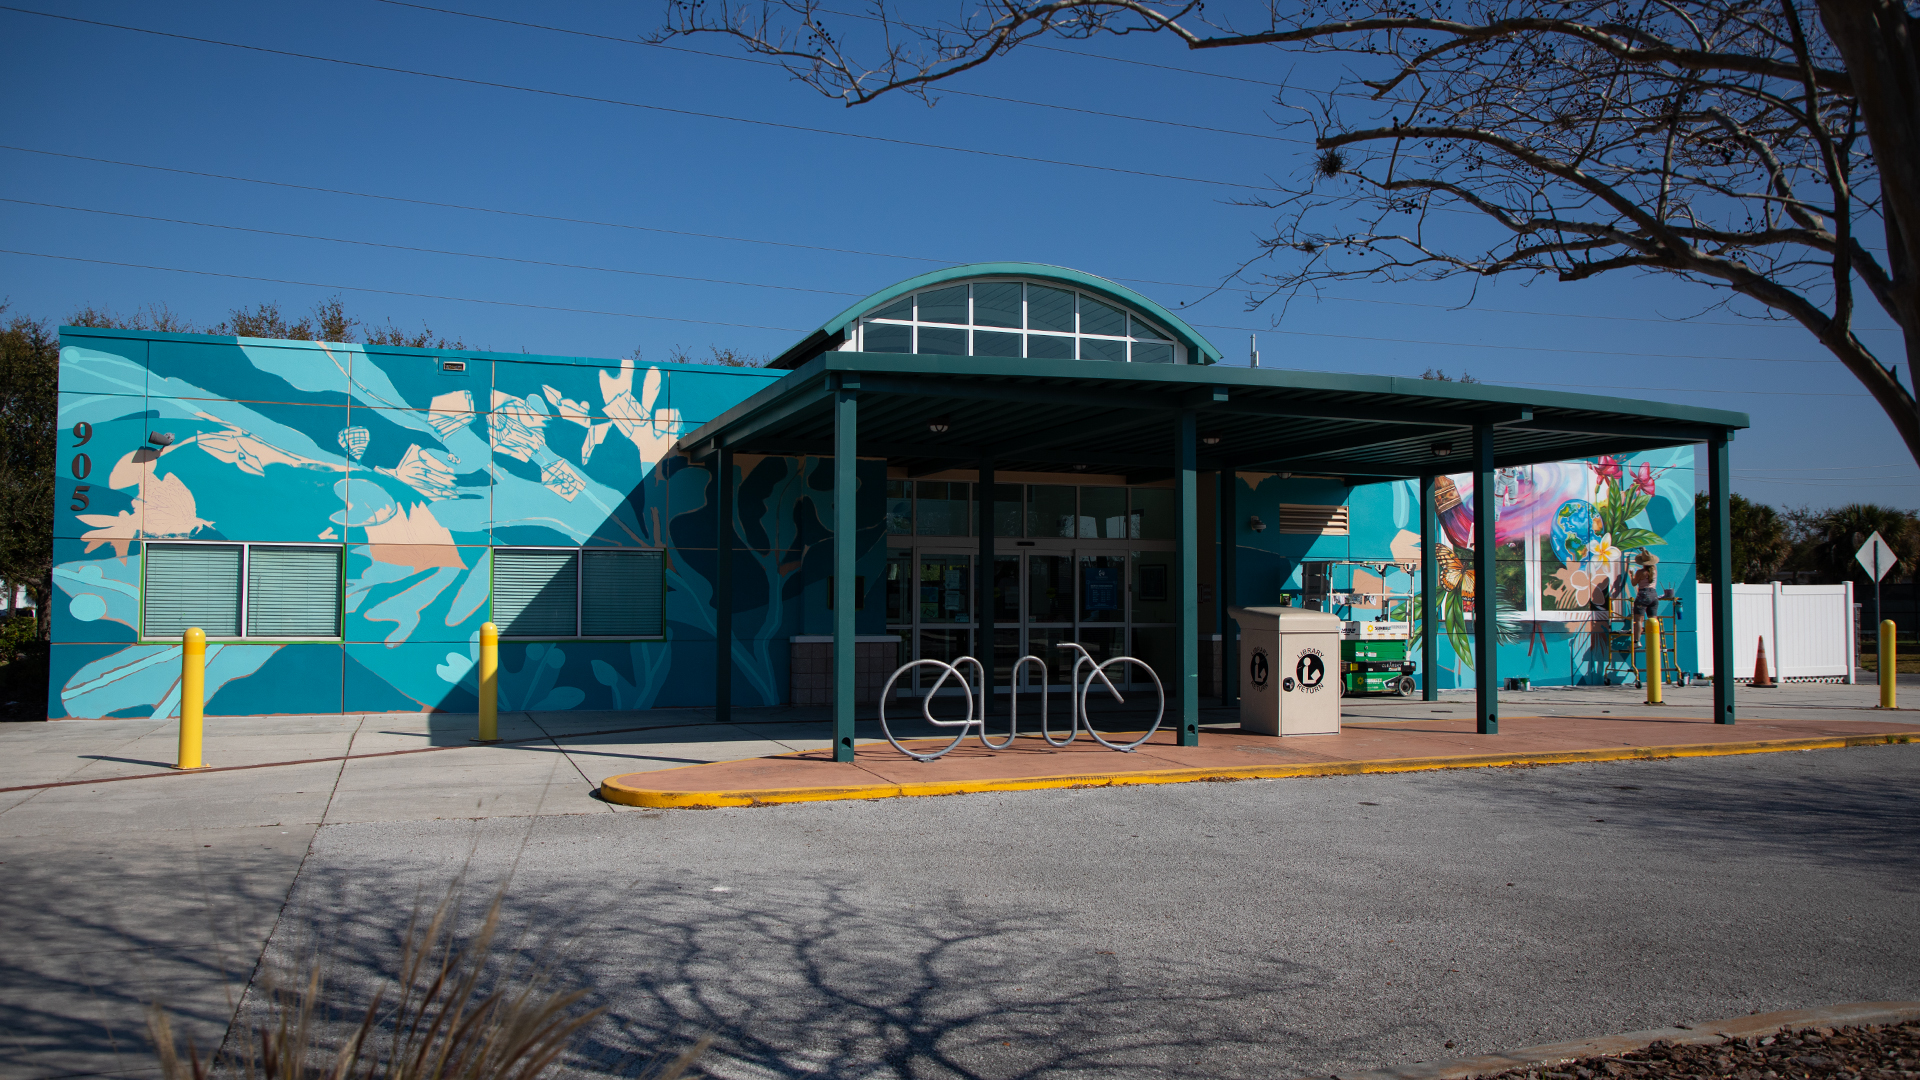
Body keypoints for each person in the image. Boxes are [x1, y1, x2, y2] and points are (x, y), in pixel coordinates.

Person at [1630, 550, 1660, 637]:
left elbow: (1634, 583)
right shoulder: (1654, 570)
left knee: (1639, 620)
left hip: (1643, 595)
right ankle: (1655, 641)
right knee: (1653, 620)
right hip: (1654, 595)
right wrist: (1644, 551)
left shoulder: (1640, 572)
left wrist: (1632, 575)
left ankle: (1637, 641)